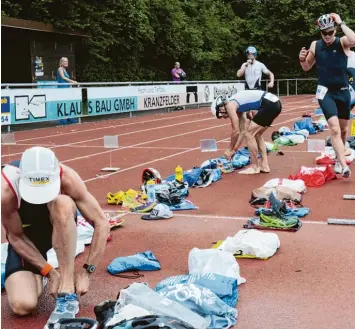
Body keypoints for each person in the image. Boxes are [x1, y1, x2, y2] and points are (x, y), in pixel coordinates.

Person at [1, 147, 110, 328]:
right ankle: (45, 275)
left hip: (60, 227)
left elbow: (102, 223)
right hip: (28, 240)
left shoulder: (67, 177)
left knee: (63, 203)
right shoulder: (6, 190)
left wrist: (87, 272)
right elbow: (16, 237)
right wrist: (49, 272)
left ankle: (66, 287)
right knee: (22, 306)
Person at [298, 13, 355, 178]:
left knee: (344, 130)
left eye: (330, 32)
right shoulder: (315, 45)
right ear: (320, 32)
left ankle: (338, 158)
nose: (328, 36)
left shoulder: (342, 42)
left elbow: (354, 39)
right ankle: (343, 166)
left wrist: (341, 21)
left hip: (343, 91)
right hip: (325, 92)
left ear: (335, 30)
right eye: (324, 33)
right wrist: (302, 59)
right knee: (335, 129)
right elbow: (307, 67)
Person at [211, 90, 282, 174]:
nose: (224, 117)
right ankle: (265, 166)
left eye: (221, 115)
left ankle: (255, 167)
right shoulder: (239, 107)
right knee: (256, 134)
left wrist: (230, 149)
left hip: (268, 104)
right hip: (275, 104)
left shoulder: (230, 105)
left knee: (250, 134)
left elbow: (235, 131)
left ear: (221, 108)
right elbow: (242, 131)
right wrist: (234, 150)